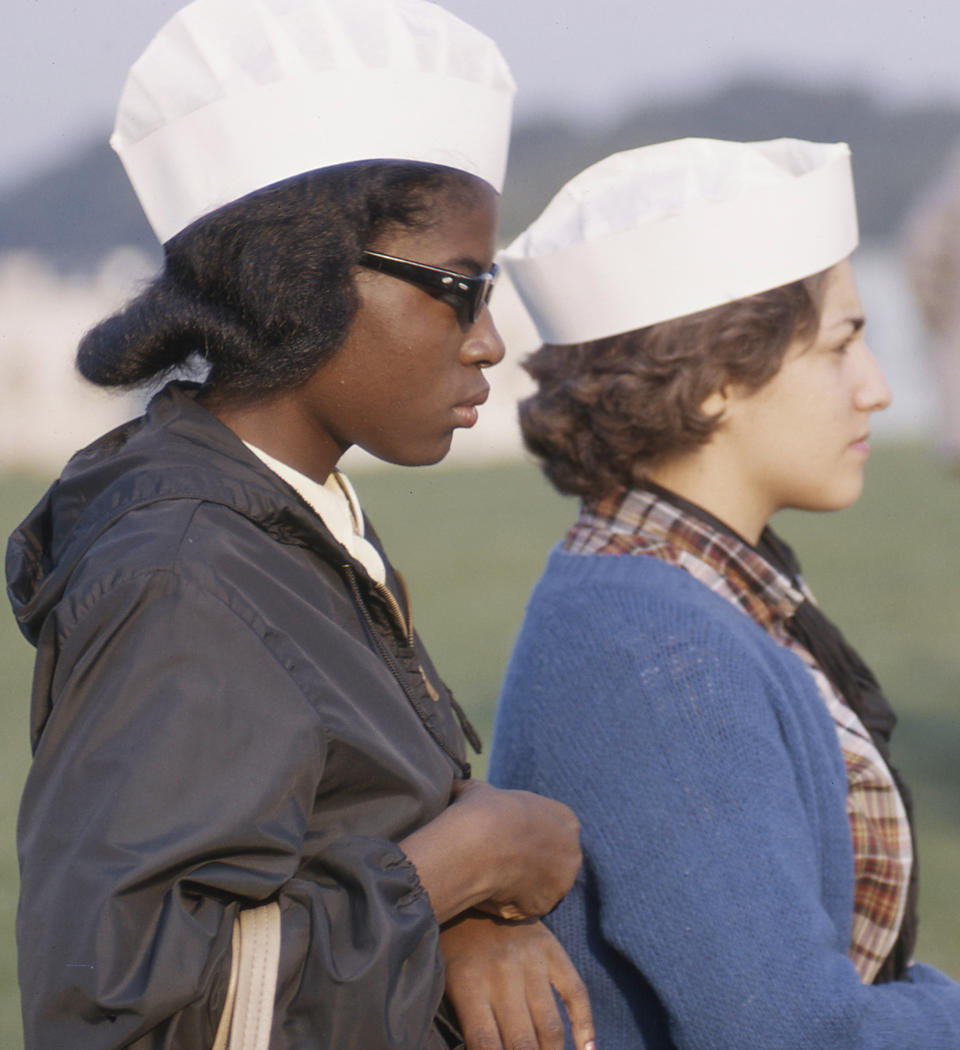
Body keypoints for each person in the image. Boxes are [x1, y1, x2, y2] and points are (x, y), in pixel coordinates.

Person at [4, 2, 594, 1048]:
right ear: (300, 276)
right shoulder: (183, 571)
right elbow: (126, 1014)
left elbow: (313, 866)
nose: (491, 343)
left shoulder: (289, 519)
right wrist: (467, 864)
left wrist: (452, 927)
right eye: (460, 289)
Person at [488, 138, 960, 1048]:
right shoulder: (652, 644)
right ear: (714, 384)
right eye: (841, 346)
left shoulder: (685, 595)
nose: (878, 390)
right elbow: (793, 1034)